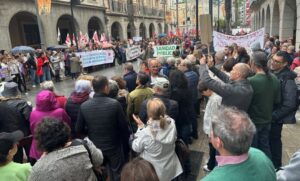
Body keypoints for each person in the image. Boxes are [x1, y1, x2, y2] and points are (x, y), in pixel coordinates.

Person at [76, 75, 130, 181]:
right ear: (106, 87)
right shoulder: (114, 104)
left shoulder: (84, 106)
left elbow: (78, 129)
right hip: (114, 146)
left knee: (100, 173)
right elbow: (124, 128)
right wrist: (125, 146)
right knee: (117, 172)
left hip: (96, 147)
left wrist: (91, 133)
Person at [201, 107, 276, 181]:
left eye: (211, 131)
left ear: (218, 142)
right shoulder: (261, 156)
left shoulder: (212, 179)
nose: (210, 134)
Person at [29, 117, 103, 181]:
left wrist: (41, 161)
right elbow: (99, 160)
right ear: (66, 131)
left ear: (40, 141)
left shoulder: (38, 169)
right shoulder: (84, 146)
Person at [131, 98, 183, 181]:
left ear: (149, 113)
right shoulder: (172, 123)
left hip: (154, 170)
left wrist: (140, 128)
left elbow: (136, 147)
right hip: (170, 165)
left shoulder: (146, 132)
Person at [248, 52, 280, 159]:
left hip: (253, 122)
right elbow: (277, 100)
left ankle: (256, 173)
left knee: (253, 151)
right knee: (265, 148)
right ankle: (268, 170)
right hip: (267, 120)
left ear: (253, 63)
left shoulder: (251, 81)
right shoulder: (275, 79)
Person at [269, 51, 298, 169]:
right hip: (270, 115)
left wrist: (274, 116)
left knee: (274, 143)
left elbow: (290, 104)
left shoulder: (288, 79)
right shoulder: (273, 72)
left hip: (275, 118)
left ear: (285, 64)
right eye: (273, 59)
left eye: (277, 61)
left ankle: (276, 167)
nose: (273, 62)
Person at [29, 90, 71, 164]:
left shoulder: (33, 113)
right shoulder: (60, 111)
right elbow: (68, 125)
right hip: (58, 145)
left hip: (40, 146)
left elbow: (33, 130)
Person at [178, 59, 199, 139]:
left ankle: (189, 136)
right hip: (194, 98)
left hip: (186, 100)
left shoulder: (184, 77)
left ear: (185, 67)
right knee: (193, 117)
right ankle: (195, 133)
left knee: (188, 119)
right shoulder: (194, 74)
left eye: (181, 65)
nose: (179, 66)